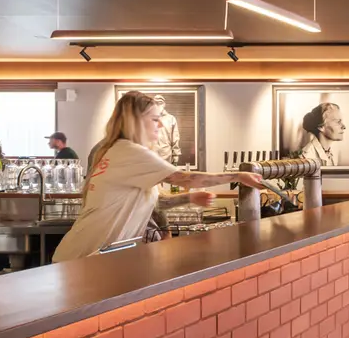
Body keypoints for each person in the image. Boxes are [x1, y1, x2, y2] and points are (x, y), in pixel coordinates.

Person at [52, 91, 264, 262]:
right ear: (135, 121)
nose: (161, 125)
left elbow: (157, 201)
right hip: (82, 257)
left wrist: (190, 199)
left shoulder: (119, 151)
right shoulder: (129, 151)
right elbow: (184, 178)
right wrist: (238, 175)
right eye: (155, 119)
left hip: (94, 257)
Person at [294, 102, 345, 170]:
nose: (344, 127)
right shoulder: (306, 157)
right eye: (338, 122)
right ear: (321, 127)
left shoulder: (334, 153)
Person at [149, 94, 182, 165]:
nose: (158, 105)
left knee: (167, 176)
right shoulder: (148, 118)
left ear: (164, 104)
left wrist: (175, 156)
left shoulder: (171, 119)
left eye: (160, 103)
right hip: (152, 155)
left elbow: (175, 138)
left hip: (166, 155)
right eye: (156, 103)